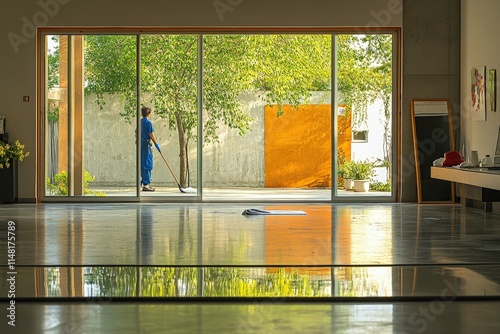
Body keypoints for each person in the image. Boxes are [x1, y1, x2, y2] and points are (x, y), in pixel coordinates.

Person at [140, 106, 160, 191]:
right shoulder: (148, 123)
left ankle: (145, 182)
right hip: (147, 145)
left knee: (143, 163)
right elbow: (151, 134)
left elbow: (136, 133)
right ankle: (146, 185)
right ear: (148, 114)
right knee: (147, 164)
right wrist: (156, 144)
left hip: (141, 145)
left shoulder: (140, 122)